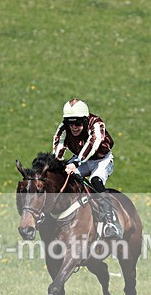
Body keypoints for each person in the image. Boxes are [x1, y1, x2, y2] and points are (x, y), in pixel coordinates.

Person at [52, 99, 121, 238]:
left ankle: (110, 221)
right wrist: (56, 165)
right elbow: (59, 144)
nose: (74, 127)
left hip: (101, 160)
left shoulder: (96, 123)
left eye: (77, 123)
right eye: (70, 123)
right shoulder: (63, 128)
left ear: (85, 120)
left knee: (95, 180)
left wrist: (76, 163)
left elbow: (93, 143)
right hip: (82, 159)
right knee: (62, 177)